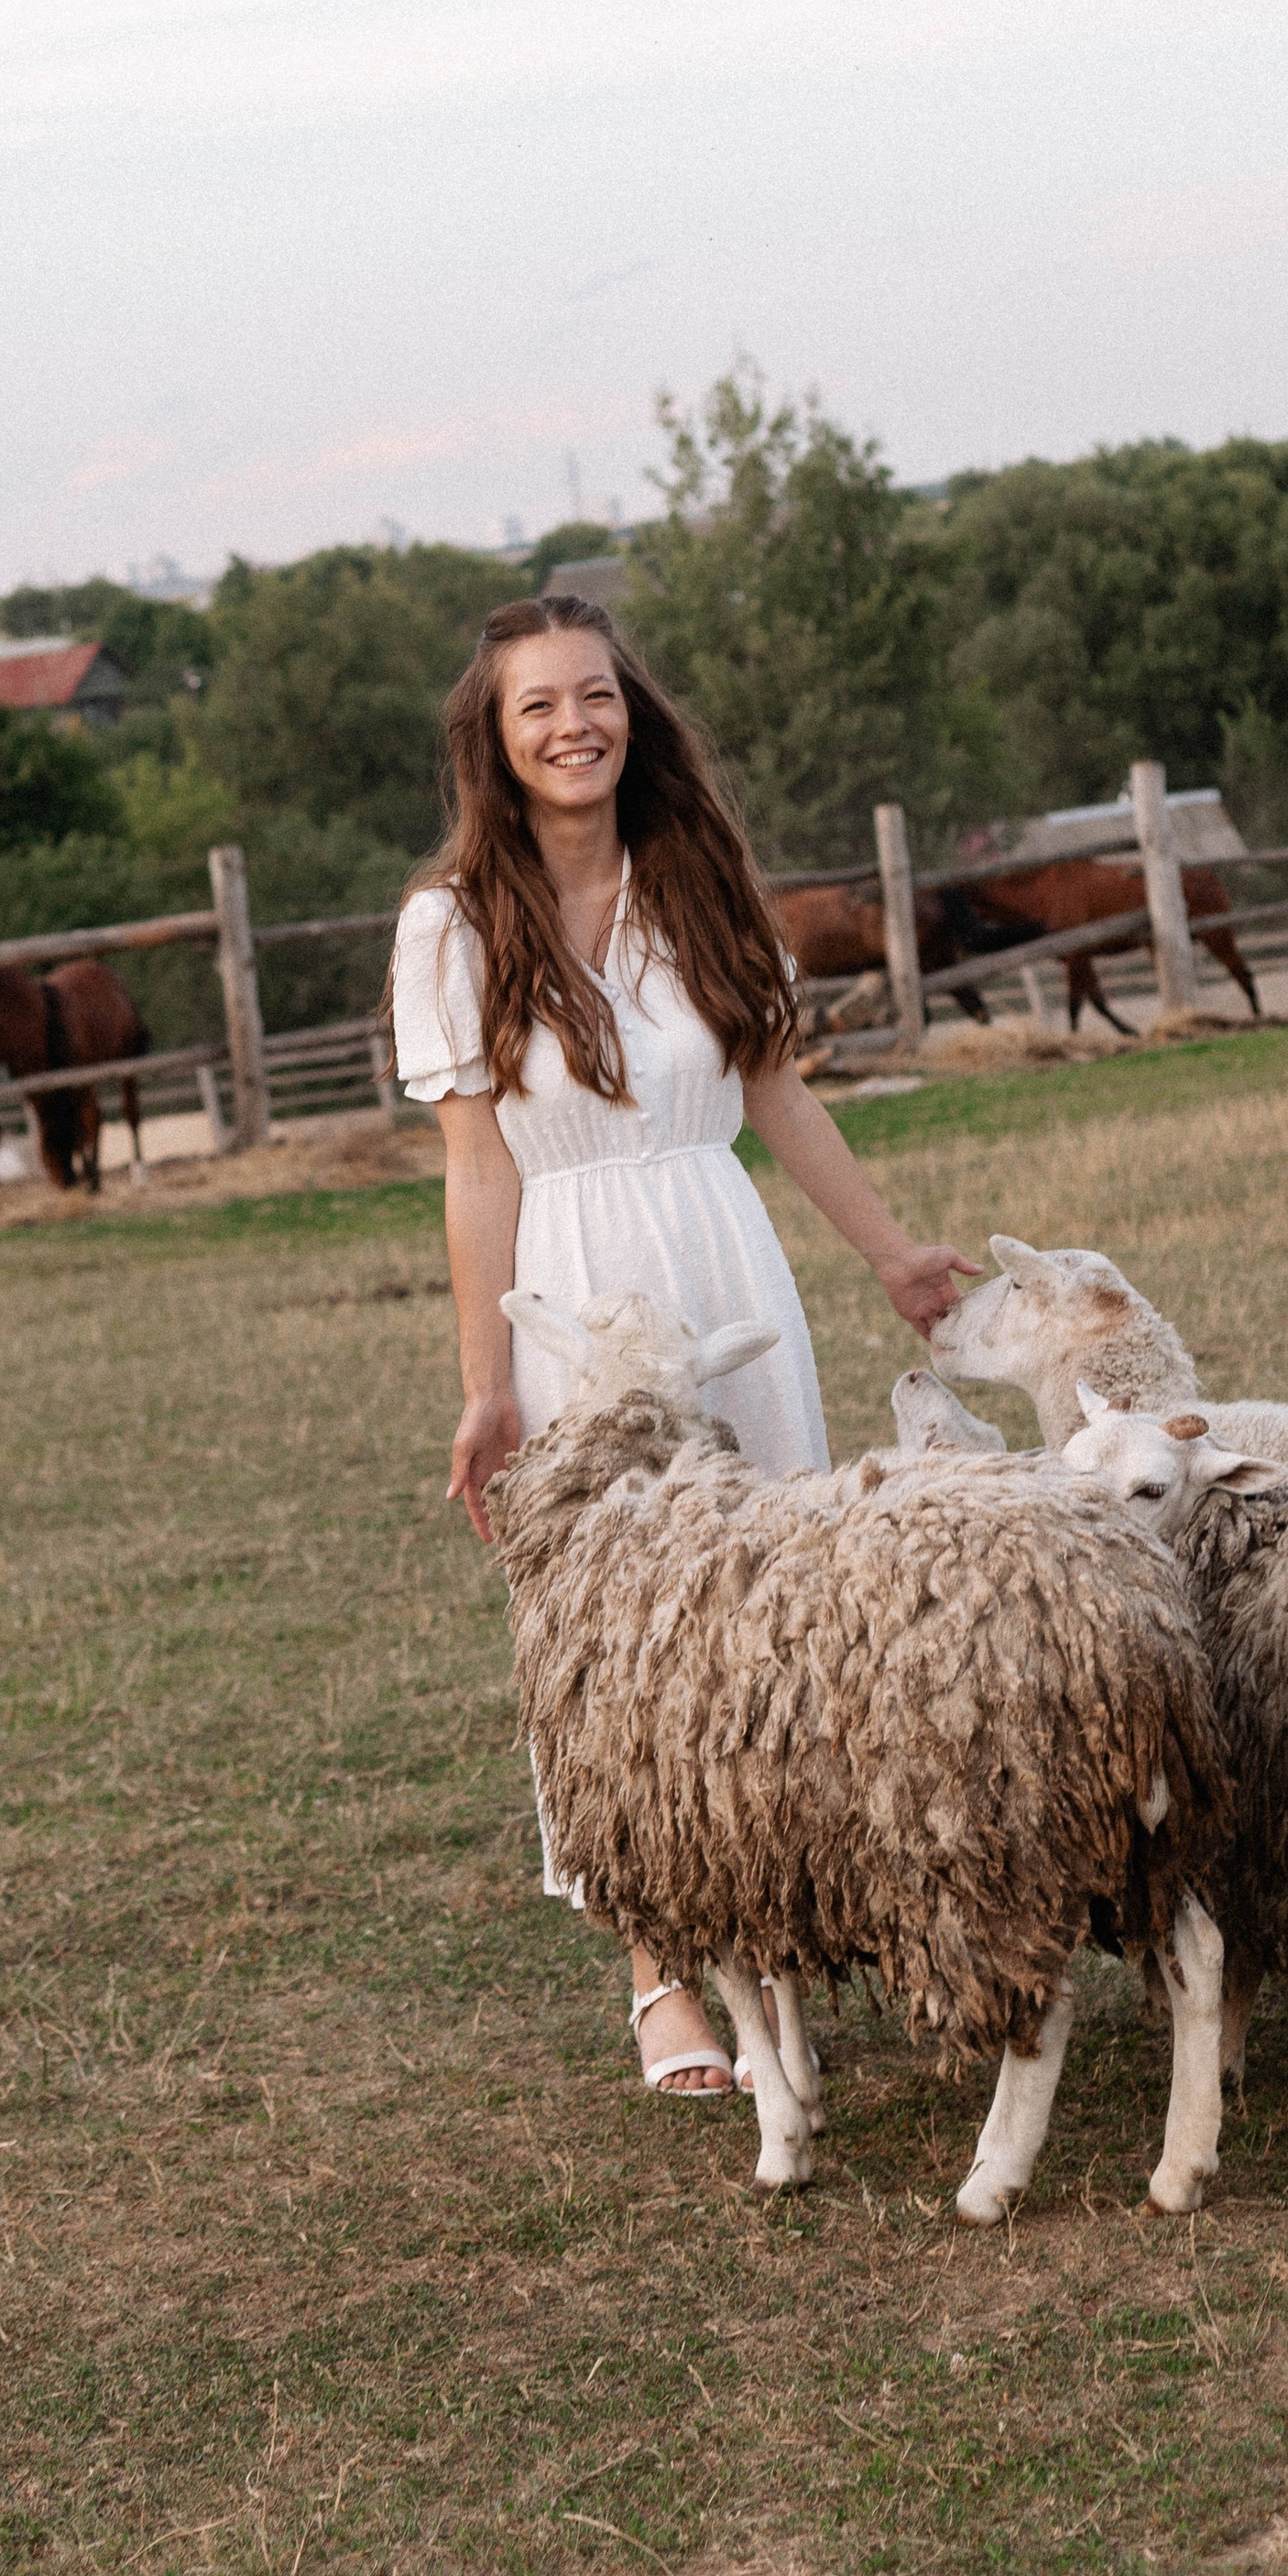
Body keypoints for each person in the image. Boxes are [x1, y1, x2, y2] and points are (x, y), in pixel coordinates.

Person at [391, 593, 977, 2099]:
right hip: (574, 1295)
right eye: (539, 707)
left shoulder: (700, 880)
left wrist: (895, 1256)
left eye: (596, 695)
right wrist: (485, 1387)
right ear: (497, 742)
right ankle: (662, 1973)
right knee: (624, 1651)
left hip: (729, 1270)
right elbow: (478, 1168)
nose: (574, 725)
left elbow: (777, 1096)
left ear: (629, 712)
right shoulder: (450, 925)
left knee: (769, 1621)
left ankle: (775, 1942)